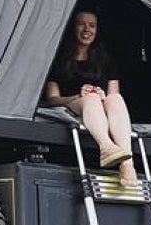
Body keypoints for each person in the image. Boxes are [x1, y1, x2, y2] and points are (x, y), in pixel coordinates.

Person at [45, 9, 138, 184]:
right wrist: (76, 96)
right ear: (73, 28)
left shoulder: (105, 59)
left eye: (92, 25)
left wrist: (103, 95)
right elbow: (52, 99)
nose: (87, 29)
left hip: (101, 105)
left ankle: (127, 164)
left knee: (115, 99)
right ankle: (106, 146)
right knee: (91, 98)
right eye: (81, 24)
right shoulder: (59, 58)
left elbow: (114, 93)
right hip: (75, 103)